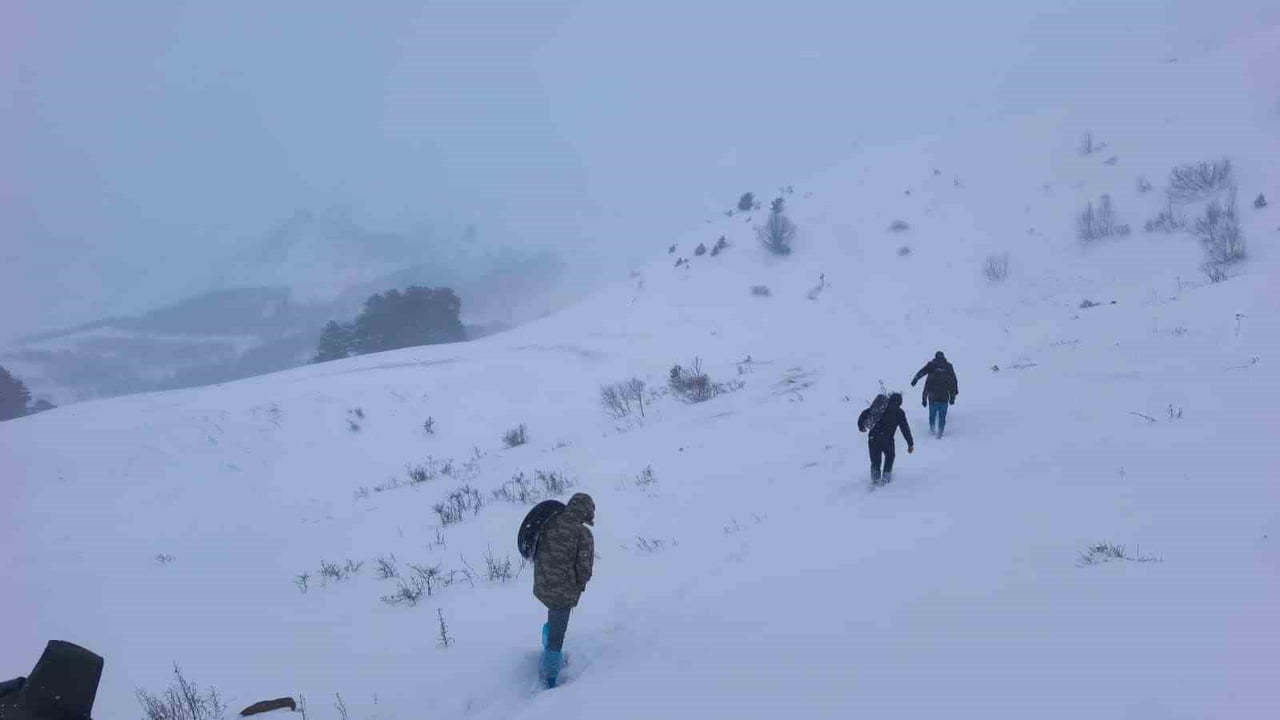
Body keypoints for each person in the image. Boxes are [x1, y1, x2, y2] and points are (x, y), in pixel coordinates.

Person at [533, 492, 595, 689]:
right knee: (557, 636)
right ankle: (550, 678)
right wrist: (579, 585)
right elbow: (584, 569)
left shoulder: (550, 521)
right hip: (563, 592)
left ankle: (548, 643)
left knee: (554, 617)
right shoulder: (583, 533)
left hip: (542, 585)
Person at [857, 393, 914, 484]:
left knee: (875, 460)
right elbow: (905, 428)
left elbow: (864, 414)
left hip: (873, 438)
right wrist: (910, 443)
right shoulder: (899, 412)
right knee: (890, 456)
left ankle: (875, 479)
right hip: (887, 440)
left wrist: (861, 426)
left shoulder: (880, 406)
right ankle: (886, 477)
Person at [910, 351, 958, 438]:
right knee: (942, 417)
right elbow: (953, 382)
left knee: (932, 416)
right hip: (944, 398)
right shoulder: (948, 366)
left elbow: (923, 375)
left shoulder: (932, 365)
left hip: (932, 398)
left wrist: (915, 380)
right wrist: (953, 397)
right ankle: (940, 432)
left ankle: (932, 430)